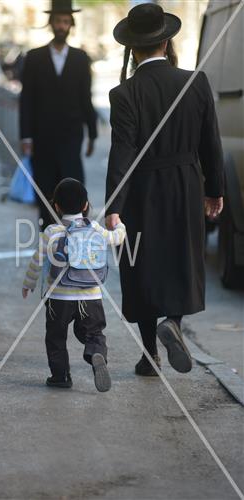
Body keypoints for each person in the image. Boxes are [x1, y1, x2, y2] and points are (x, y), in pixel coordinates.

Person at [105, 3, 224, 377]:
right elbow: (211, 144)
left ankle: (150, 355)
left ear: (132, 48)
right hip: (187, 183)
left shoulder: (124, 93)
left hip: (142, 189)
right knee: (182, 259)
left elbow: (121, 152)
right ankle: (173, 320)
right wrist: (215, 190)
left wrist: (114, 205)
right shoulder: (196, 82)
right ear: (167, 41)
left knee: (141, 266)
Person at [22, 178, 126, 391]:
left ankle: (60, 376)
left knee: (56, 338)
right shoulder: (95, 228)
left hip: (58, 298)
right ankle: (96, 352)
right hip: (91, 296)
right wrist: (120, 225)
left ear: (56, 206)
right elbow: (116, 238)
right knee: (94, 332)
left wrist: (29, 283)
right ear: (86, 205)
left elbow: (36, 260)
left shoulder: (52, 232)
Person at [19, 0, 98, 229]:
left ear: (71, 25)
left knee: (73, 185)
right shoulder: (34, 57)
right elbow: (27, 100)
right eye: (57, 21)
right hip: (42, 136)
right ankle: (48, 235)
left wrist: (92, 134)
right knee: (44, 188)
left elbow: (86, 98)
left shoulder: (81, 58)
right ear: (50, 24)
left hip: (72, 135)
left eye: (65, 22)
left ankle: (74, 234)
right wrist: (26, 136)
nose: (61, 26)